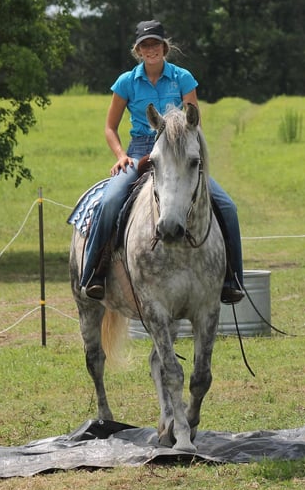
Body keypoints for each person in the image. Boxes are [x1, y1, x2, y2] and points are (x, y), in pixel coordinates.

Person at [81, 19, 244, 304]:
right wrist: (121, 156)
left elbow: (195, 124)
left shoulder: (183, 78)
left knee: (228, 206)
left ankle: (232, 278)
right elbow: (110, 127)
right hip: (138, 151)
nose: (151, 49)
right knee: (109, 202)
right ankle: (95, 273)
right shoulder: (126, 83)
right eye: (145, 45)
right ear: (138, 50)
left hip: (177, 149)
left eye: (155, 44)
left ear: (164, 47)